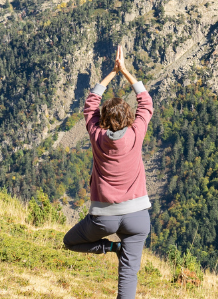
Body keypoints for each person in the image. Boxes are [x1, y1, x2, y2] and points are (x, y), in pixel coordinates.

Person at [63, 46, 153, 299]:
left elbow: (90, 104)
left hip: (104, 217)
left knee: (70, 242)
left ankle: (112, 248)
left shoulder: (97, 135)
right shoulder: (136, 133)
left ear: (103, 119)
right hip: (138, 217)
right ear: (129, 118)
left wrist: (111, 74)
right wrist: (125, 71)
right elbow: (146, 101)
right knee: (128, 274)